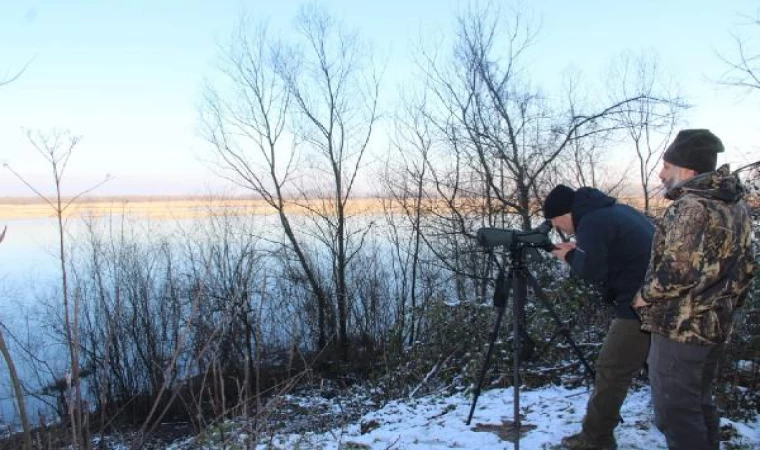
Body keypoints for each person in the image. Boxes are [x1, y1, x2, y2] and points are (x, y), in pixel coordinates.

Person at [632, 129, 756, 450]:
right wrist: (724, 307)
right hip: (714, 327)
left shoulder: (691, 206)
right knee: (699, 403)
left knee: (675, 414)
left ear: (686, 170)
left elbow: (678, 271)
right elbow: (747, 267)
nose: (661, 173)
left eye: (666, 165)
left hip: (681, 330)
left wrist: (645, 295)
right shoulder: (735, 205)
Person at [544, 183, 654, 450]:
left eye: (554, 222)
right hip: (658, 300)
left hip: (638, 306)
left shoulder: (591, 221)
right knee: (665, 373)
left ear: (563, 213)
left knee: (611, 370)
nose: (559, 228)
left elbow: (592, 271)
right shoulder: (615, 210)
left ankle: (596, 439)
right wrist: (578, 251)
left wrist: (569, 256)